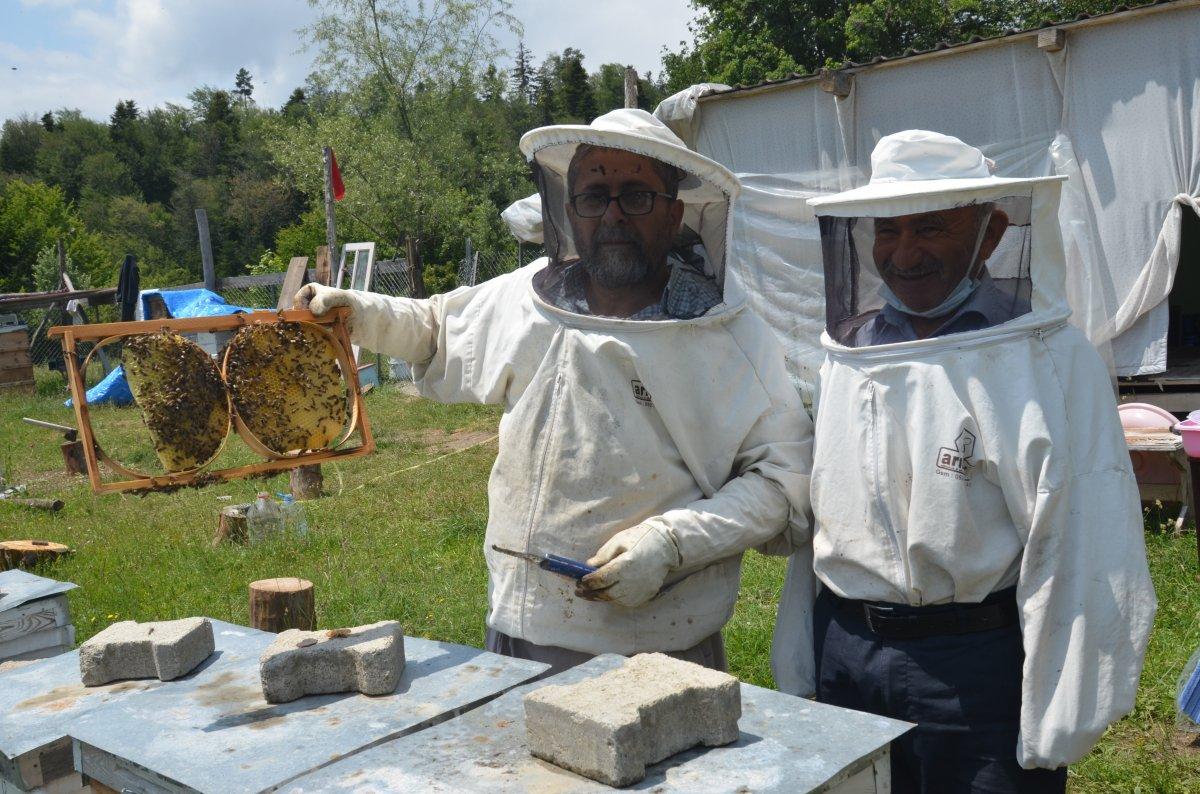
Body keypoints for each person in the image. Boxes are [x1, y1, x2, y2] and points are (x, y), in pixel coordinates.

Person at [296, 108, 812, 674]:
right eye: (594, 197)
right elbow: (437, 327)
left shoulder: (728, 336)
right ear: (569, 211)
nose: (613, 215)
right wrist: (360, 312)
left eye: (637, 195)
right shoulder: (528, 299)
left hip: (661, 646)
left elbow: (782, 482)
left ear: (674, 213)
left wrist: (674, 544)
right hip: (521, 628)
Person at [774, 129, 1155, 792]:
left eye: (930, 227)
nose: (903, 253)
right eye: (887, 230)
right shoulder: (848, 353)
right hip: (846, 651)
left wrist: (1062, 711)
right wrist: (803, 658)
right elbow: (823, 514)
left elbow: (1088, 542)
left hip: (975, 666)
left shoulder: (1051, 357)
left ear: (991, 232)